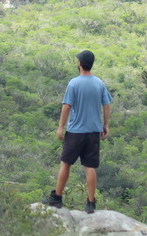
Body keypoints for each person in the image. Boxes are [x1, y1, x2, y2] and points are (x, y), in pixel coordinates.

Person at [42, 50, 112, 213]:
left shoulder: (74, 83)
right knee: (90, 166)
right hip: (93, 131)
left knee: (66, 163)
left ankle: (57, 197)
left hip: (75, 131)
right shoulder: (99, 83)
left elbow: (67, 106)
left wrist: (61, 127)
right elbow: (107, 105)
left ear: (80, 63)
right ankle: (91, 203)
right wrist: (105, 125)